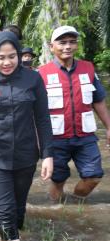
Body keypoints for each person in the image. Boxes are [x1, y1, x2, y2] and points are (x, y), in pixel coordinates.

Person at [0, 31, 53, 241]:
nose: (6, 62)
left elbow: (43, 119)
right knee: (5, 209)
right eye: (0, 57)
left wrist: (48, 154)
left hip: (26, 156)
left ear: (19, 55)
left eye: (11, 56)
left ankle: (17, 236)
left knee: (18, 208)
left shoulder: (33, 79)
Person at [38, 25, 110, 201]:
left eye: (72, 42)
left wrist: (108, 127)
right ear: (51, 46)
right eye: (62, 43)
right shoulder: (41, 73)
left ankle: (76, 201)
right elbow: (36, 109)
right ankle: (58, 212)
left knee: (94, 176)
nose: (67, 47)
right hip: (56, 138)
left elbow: (98, 100)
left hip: (85, 137)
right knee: (58, 179)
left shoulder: (88, 69)